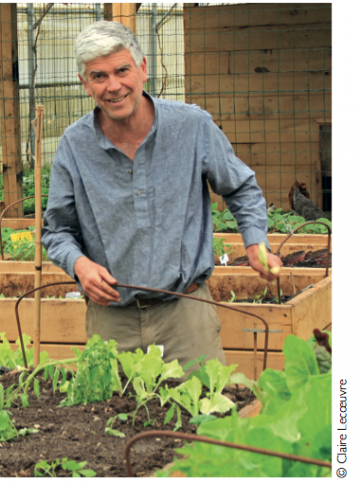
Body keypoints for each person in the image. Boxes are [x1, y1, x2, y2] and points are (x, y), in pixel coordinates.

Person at [41, 21, 282, 371]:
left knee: (205, 419)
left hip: (186, 317)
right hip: (112, 321)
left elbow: (240, 187)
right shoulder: (74, 146)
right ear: (85, 83)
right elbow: (57, 231)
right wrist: (80, 265)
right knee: (113, 422)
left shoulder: (191, 126)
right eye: (99, 76)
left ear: (142, 69)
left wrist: (254, 241)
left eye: (122, 70)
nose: (113, 86)